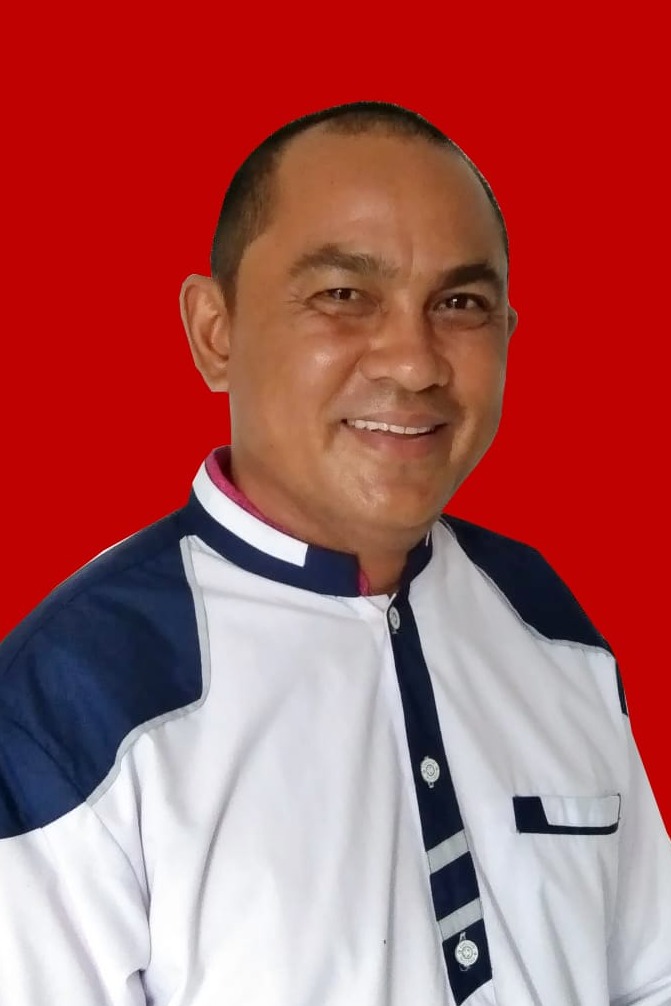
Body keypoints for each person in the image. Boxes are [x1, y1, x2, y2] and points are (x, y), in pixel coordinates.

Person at [0, 101, 669, 1006]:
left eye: (460, 304)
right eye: (343, 296)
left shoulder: (546, 621)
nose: (414, 363)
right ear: (215, 332)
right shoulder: (71, 700)